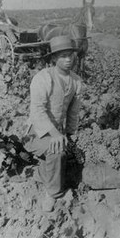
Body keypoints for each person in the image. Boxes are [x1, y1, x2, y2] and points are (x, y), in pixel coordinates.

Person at [24, 36, 84, 212]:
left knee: (66, 151)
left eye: (70, 55)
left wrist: (71, 135)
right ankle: (53, 194)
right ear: (53, 59)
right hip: (35, 132)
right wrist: (56, 134)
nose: (68, 60)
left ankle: (44, 172)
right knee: (56, 150)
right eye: (63, 56)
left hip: (57, 132)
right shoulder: (43, 78)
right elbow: (37, 111)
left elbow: (73, 113)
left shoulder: (76, 81)